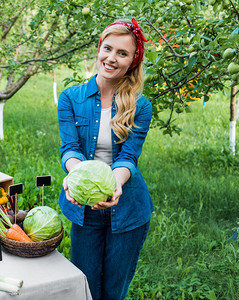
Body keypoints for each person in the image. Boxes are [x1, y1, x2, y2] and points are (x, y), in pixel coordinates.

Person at [57, 18, 153, 300]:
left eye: (122, 53)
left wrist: (115, 184)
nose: (111, 58)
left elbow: (128, 157)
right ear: (99, 48)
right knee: (84, 288)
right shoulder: (71, 98)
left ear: (133, 61)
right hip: (84, 208)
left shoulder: (140, 106)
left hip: (127, 206)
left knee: (113, 292)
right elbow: (70, 149)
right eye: (107, 48)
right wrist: (76, 178)